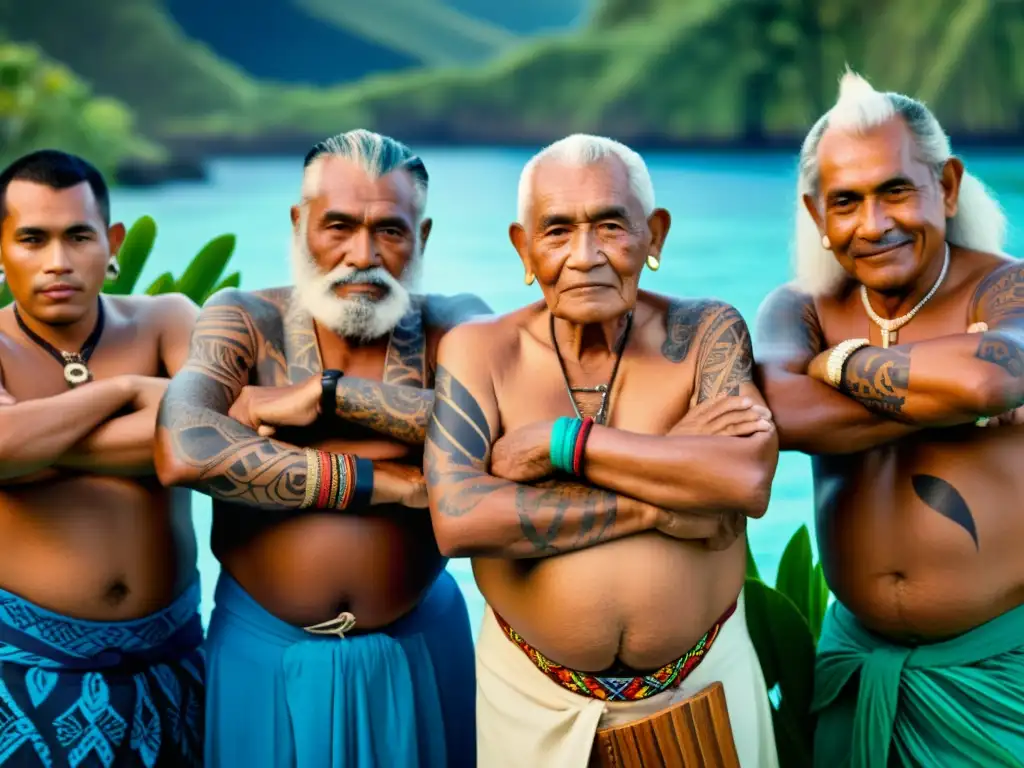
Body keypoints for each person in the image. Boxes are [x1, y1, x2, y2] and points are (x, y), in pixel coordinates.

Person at [424, 133, 781, 768]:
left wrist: (563, 443)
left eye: (610, 225)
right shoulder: (480, 351)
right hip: (530, 697)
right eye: (557, 230)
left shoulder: (706, 332)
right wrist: (665, 500)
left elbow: (745, 480)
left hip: (706, 683)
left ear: (655, 235)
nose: (585, 256)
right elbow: (459, 520)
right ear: (523, 248)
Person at [154, 129, 489, 768]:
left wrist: (327, 398)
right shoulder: (245, 319)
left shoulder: (456, 321)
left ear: (422, 235)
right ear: (299, 222)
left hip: (420, 642)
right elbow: (183, 446)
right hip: (264, 651)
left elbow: (488, 431)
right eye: (338, 225)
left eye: (390, 230)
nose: (362, 254)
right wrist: (383, 480)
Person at [755, 70, 1024, 768]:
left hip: (1000, 676)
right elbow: (783, 411)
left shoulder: (1004, 288)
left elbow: (991, 374)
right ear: (818, 216)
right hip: (852, 663)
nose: (873, 224)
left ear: (950, 186)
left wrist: (838, 363)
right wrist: (956, 404)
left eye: (896, 190)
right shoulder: (799, 306)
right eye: (846, 201)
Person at [0, 150, 203, 766]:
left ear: (111, 243)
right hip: (26, 667)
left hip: (172, 662)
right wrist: (125, 391)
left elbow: (210, 440)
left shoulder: (168, 320)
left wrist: (36, 450)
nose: (57, 262)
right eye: (32, 239)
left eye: (78, 236)